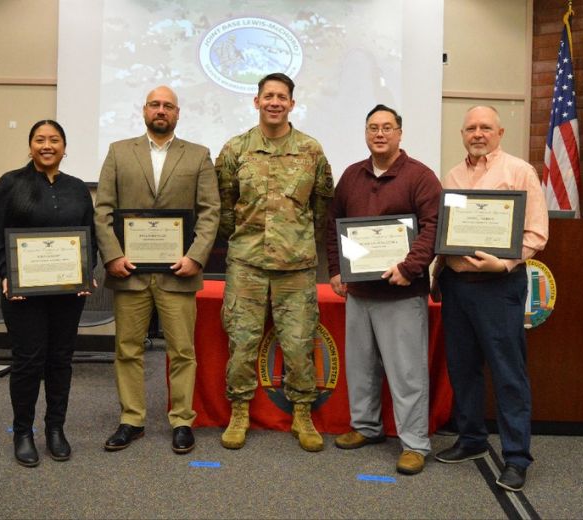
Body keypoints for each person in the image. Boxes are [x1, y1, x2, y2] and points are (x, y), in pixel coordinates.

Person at [94, 86, 220, 455]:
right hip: (128, 271)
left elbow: (211, 211)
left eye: (168, 105)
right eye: (155, 104)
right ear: (144, 110)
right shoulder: (119, 152)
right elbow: (103, 209)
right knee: (128, 349)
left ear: (177, 113)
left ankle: (182, 420)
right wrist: (113, 256)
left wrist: (196, 257)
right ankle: (131, 420)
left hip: (179, 272)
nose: (160, 110)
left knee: (182, 350)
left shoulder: (198, 156)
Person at [216, 72, 334, 452]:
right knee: (242, 341)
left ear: (291, 104)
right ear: (256, 101)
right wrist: (248, 241)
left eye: (282, 96)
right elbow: (225, 206)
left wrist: (295, 242)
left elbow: (322, 207)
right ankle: (239, 411)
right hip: (247, 264)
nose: (274, 102)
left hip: (296, 266)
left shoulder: (311, 150)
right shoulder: (235, 149)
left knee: (299, 343)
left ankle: (302, 412)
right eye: (268, 96)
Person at [434, 106, 549, 492]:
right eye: (471, 128)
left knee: (507, 372)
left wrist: (503, 262)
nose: (478, 133)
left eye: (485, 127)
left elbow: (535, 232)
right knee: (463, 368)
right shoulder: (451, 175)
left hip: (500, 286)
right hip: (458, 285)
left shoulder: (519, 172)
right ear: (462, 133)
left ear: (499, 132)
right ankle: (472, 440)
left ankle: (516, 457)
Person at [326, 104, 442, 475]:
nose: (380, 133)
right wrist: (335, 271)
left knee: (407, 374)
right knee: (361, 369)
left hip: (401, 293)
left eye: (387, 127)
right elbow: (334, 227)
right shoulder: (351, 176)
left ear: (400, 133)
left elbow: (433, 227)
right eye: (373, 127)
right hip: (359, 294)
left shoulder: (420, 177)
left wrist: (410, 268)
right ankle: (366, 427)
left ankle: (414, 444)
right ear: (365, 133)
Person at [0, 120, 96, 467]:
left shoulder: (78, 188)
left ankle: (55, 429)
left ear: (65, 147)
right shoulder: (10, 183)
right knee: (28, 361)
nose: (47, 145)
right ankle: (23, 432)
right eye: (39, 140)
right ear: (30, 145)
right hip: (23, 294)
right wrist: (7, 276)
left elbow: (89, 236)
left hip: (67, 293)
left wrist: (85, 274)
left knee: (60, 360)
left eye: (54, 140)